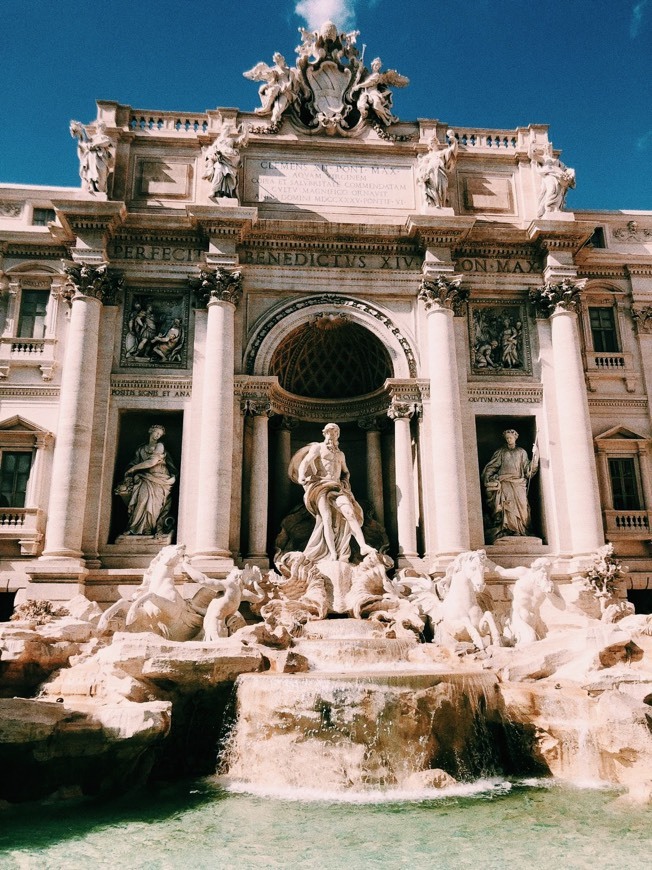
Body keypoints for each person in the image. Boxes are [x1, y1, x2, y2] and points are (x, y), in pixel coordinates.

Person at [290, 423, 374, 563]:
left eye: (334, 432)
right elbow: (305, 462)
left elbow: (345, 471)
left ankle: (363, 546)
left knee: (350, 513)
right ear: (325, 434)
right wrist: (301, 476)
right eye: (329, 432)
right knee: (326, 518)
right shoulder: (318, 448)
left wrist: (345, 482)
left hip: (336, 487)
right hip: (321, 486)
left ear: (338, 435)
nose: (332, 435)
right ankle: (333, 554)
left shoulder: (340, 454)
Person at [115, 424, 177, 536]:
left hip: (160, 480)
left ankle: (148, 529)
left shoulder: (160, 446)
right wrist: (131, 471)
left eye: (160, 434)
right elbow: (134, 463)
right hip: (145, 478)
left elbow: (152, 462)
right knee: (142, 500)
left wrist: (134, 468)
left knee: (155, 505)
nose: (157, 435)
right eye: (156, 432)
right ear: (150, 431)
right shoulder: (141, 449)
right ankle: (135, 527)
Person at [482, 429, 539, 542]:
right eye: (507, 438)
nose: (509, 439)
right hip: (505, 482)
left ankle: (522, 529)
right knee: (507, 507)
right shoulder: (501, 452)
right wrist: (488, 477)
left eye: (510, 437)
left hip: (519, 483)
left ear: (515, 438)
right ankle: (509, 530)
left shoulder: (522, 452)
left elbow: (528, 469)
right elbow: (492, 466)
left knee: (523, 507)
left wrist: (535, 456)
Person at [416, 131, 458, 208]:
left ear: (436, 143)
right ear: (428, 146)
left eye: (433, 142)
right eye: (430, 143)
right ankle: (435, 204)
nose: (432, 144)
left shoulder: (442, 153)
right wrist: (422, 176)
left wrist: (454, 141)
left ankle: (441, 205)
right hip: (430, 174)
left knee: (441, 190)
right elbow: (422, 169)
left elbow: (452, 152)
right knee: (432, 189)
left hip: (440, 173)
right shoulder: (426, 157)